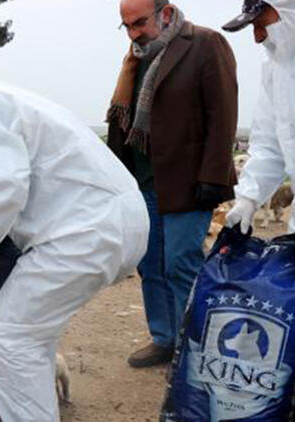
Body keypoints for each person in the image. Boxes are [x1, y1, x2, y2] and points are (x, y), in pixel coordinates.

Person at [0, 56, 150, 422]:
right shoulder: (10, 99)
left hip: (83, 232)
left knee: (12, 338)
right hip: (112, 223)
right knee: (33, 337)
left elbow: (0, 191)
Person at [106, 0, 238, 368]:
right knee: (150, 264)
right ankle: (165, 339)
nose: (134, 33)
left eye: (139, 23)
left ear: (165, 13)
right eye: (126, 26)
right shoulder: (135, 58)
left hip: (188, 181)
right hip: (144, 182)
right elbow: (123, 120)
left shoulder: (205, 45)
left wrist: (213, 175)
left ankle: (194, 348)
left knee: (181, 263)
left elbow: (223, 114)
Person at [224, 0, 295, 234]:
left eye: (260, 24)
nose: (258, 37)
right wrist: (248, 197)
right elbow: (269, 143)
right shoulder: (278, 71)